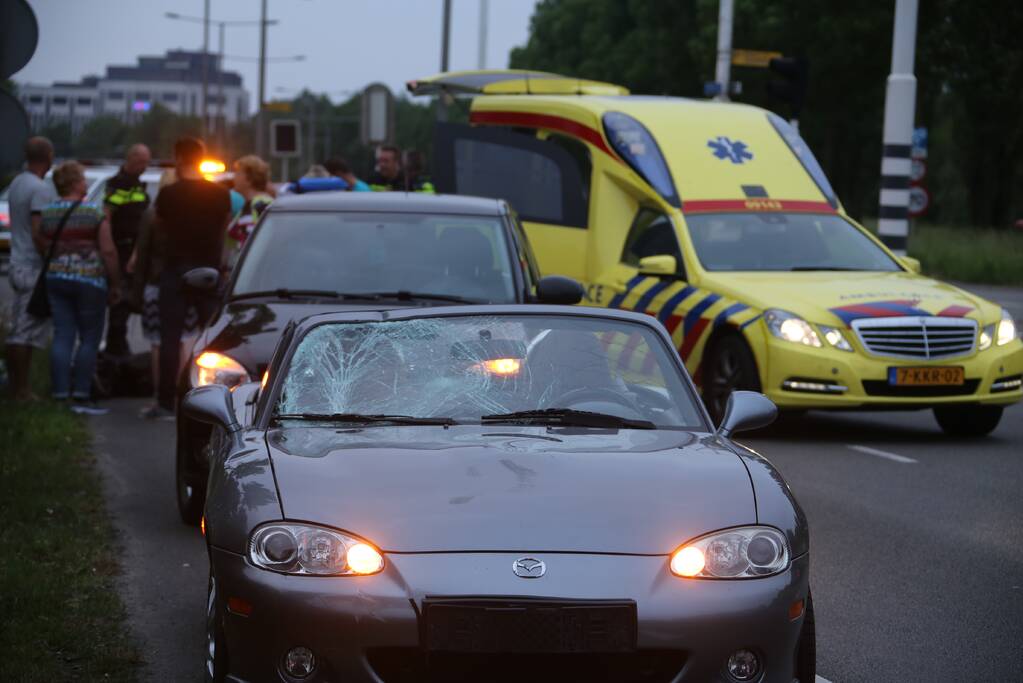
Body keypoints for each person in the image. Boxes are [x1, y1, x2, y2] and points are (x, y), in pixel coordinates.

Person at [31, 162, 120, 414]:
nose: (85, 183)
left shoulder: (48, 213)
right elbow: (108, 251)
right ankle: (81, 395)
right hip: (90, 281)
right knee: (89, 338)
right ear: (73, 183)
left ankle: (60, 394)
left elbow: (42, 243)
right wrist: (115, 283)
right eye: (81, 179)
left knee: (62, 336)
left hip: (56, 279)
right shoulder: (94, 213)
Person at [152, 137, 232, 416]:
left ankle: (165, 403)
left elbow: (159, 229)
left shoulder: (168, 195)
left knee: (170, 339)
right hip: (209, 272)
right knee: (213, 339)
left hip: (175, 270)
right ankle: (213, 402)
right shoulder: (220, 194)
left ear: (178, 159)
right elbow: (224, 230)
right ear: (200, 158)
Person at [126, 169, 201, 418]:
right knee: (187, 340)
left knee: (159, 343)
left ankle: (161, 397)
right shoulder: (193, 214)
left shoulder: (152, 215)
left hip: (157, 284)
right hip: (189, 282)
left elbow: (143, 254)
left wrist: (135, 293)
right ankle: (184, 397)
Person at [5, 136, 57, 400]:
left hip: (17, 261)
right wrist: (51, 257)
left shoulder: (17, 183)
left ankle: (15, 386)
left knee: (18, 327)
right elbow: (39, 231)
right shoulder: (40, 188)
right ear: (48, 156)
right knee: (24, 332)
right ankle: (21, 389)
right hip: (32, 267)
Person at [102, 143, 152, 356]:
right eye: (141, 162)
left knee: (136, 301)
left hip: (137, 249)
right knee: (120, 304)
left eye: (147, 162)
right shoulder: (116, 184)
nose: (145, 166)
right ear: (130, 159)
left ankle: (123, 350)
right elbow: (108, 216)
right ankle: (116, 350)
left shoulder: (139, 185)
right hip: (122, 249)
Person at [224, 155, 274, 267]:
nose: (234, 177)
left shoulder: (256, 205)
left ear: (249, 179)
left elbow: (249, 246)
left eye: (237, 173)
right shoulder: (258, 203)